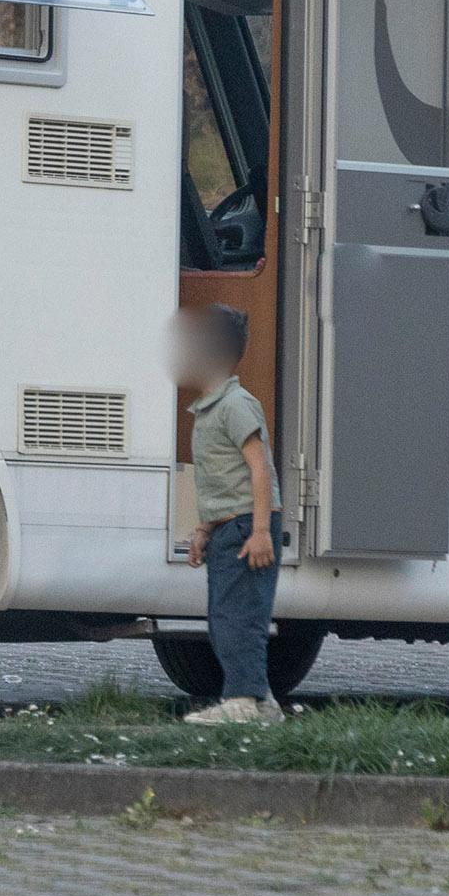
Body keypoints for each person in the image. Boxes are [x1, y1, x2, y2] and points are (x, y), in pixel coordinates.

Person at [170, 303, 285, 718]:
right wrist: (203, 530)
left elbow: (259, 469)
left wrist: (260, 531)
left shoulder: (237, 405)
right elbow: (221, 480)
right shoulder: (209, 408)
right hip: (227, 526)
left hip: (246, 526)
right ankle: (261, 701)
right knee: (226, 618)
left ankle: (242, 701)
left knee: (239, 618)